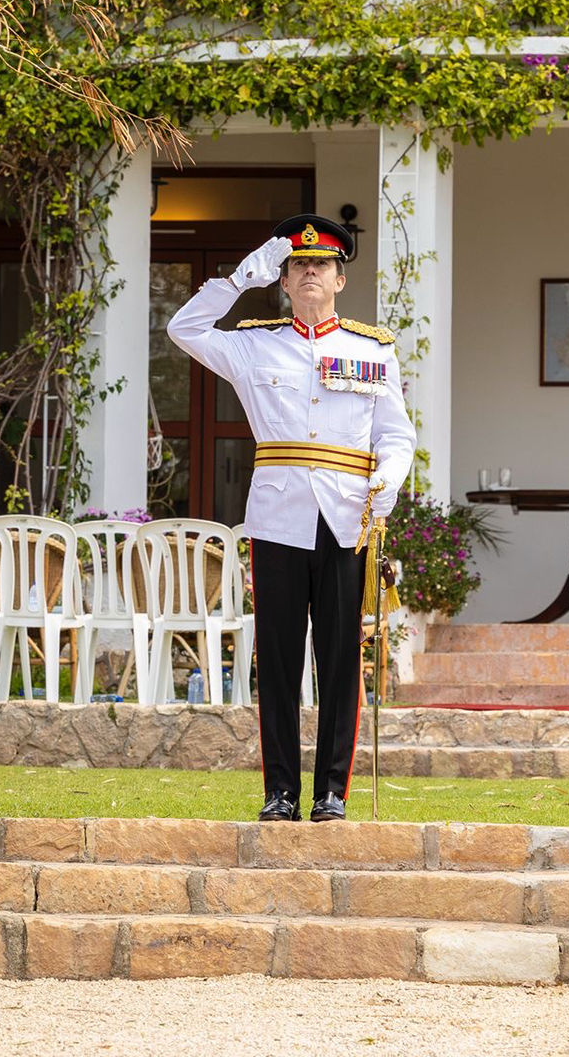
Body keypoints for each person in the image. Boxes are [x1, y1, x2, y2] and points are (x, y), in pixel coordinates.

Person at [167, 214, 416, 822]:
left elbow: (396, 436)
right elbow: (184, 327)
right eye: (299, 264)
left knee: (338, 659)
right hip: (278, 520)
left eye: (322, 265)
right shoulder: (254, 344)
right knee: (276, 660)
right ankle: (280, 790)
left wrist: (385, 482)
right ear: (283, 278)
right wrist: (240, 276)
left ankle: (332, 790)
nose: (310, 272)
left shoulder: (371, 349)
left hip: (345, 519)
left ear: (340, 279)